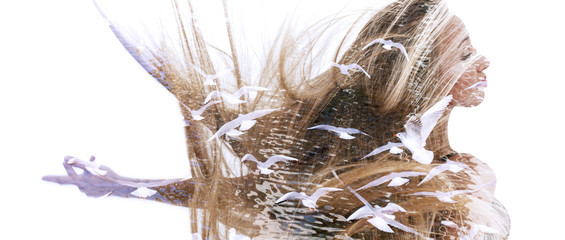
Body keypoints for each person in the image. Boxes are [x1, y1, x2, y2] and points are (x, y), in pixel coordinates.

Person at [43, 0, 510, 239]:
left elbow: (251, 198)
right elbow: (244, 198)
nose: (485, 62)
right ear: (416, 75)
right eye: (465, 53)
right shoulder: (415, 179)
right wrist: (126, 186)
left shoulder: (445, 172)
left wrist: (126, 186)